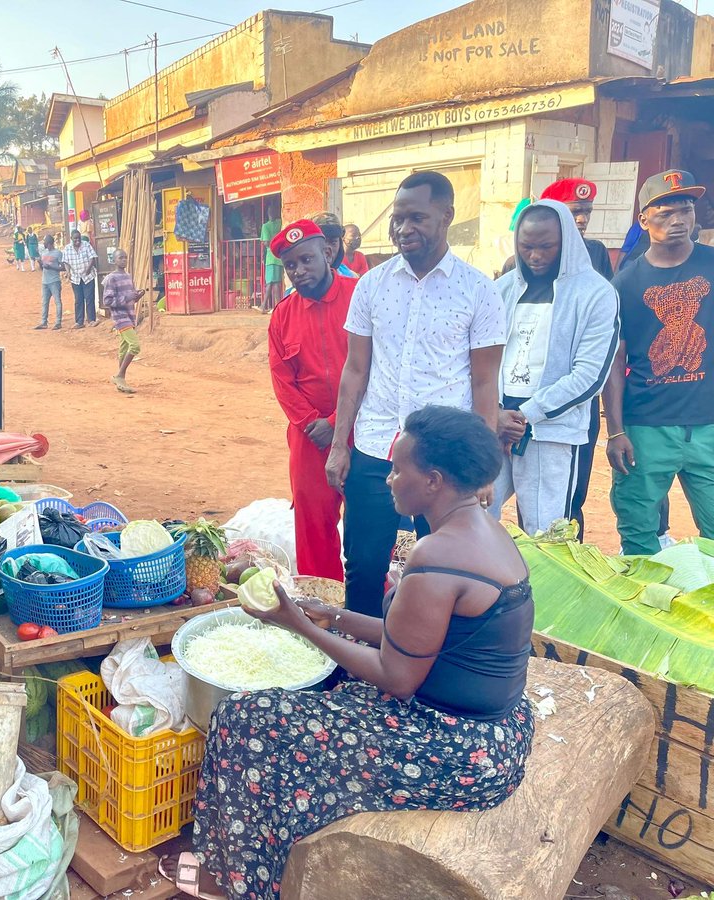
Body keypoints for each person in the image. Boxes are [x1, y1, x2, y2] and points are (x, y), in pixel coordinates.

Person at [163, 406, 534, 900]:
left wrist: (297, 625)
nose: (389, 478)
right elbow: (411, 639)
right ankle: (265, 852)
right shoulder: (485, 532)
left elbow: (397, 677)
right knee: (320, 694)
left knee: (244, 719)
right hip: (494, 732)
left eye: (399, 468)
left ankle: (232, 877)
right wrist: (325, 612)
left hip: (456, 750)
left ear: (434, 481)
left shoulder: (436, 557)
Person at [327, 171, 506, 618]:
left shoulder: (478, 290)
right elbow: (355, 369)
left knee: (444, 568)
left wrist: (482, 470)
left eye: (417, 218)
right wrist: (338, 447)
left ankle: (430, 664)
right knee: (364, 565)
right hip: (375, 446)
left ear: (447, 215)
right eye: (398, 218)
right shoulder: (372, 285)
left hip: (443, 458)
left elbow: (485, 383)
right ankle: (360, 665)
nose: (403, 228)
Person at [491, 200, 619, 535]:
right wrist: (496, 412)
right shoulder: (502, 289)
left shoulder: (595, 293)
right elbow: (482, 357)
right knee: (473, 513)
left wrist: (528, 414)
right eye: (527, 247)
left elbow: (590, 374)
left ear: (567, 242)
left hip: (552, 431)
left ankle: (544, 590)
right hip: (496, 422)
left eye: (546, 247)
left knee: (547, 532)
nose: (535, 256)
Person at [605, 169, 714, 555]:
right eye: (665, 212)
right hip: (646, 428)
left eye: (685, 210)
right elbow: (614, 362)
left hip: (708, 426)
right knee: (638, 540)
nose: (678, 220)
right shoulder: (626, 283)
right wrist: (616, 431)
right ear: (644, 220)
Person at [267, 220, 354, 580]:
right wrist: (311, 424)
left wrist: (335, 423)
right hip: (309, 437)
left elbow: (377, 366)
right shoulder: (282, 316)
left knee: (369, 524)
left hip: (363, 430)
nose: (299, 271)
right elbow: (282, 379)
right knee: (313, 524)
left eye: (306, 260)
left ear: (328, 252)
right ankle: (322, 607)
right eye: (291, 266)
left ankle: (370, 607)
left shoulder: (360, 297)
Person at [101, 249, 146, 394]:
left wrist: (137, 296)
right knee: (135, 345)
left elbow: (130, 297)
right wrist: (127, 298)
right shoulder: (111, 278)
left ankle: (121, 381)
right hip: (120, 317)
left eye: (125, 258)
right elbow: (107, 301)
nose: (124, 260)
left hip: (130, 315)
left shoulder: (128, 276)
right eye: (120, 258)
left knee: (124, 348)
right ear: (114, 260)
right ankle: (119, 375)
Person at [61, 229, 99, 328]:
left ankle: (91, 320)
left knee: (89, 298)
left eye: (79, 238)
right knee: (78, 299)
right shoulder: (67, 249)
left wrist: (88, 268)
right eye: (75, 239)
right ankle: (79, 322)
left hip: (88, 276)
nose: (77, 241)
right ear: (71, 239)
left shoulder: (86, 245)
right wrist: (68, 272)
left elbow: (92, 258)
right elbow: (66, 262)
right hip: (75, 278)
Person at [312, 212, 360, 279]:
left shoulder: (351, 278)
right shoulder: (301, 279)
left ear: (340, 244)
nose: (328, 249)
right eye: (323, 242)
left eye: (333, 242)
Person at [35, 233, 65, 330]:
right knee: (44, 302)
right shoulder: (44, 253)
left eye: (44, 241)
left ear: (49, 243)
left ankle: (58, 322)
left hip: (54, 281)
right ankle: (44, 322)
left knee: (57, 301)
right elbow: (42, 267)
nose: (43, 243)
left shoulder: (58, 253)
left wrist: (50, 266)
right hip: (45, 281)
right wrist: (40, 263)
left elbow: (63, 267)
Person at [260, 202, 283, 312]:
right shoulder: (280, 223)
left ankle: (267, 306)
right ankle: (272, 306)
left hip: (271, 257)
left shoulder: (266, 226)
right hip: (279, 257)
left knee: (271, 283)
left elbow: (266, 243)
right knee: (275, 283)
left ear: (268, 213)